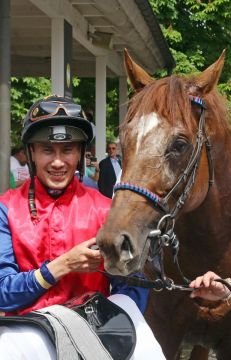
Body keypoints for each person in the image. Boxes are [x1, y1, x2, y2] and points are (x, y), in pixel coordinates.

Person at [0, 95, 165, 360]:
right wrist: (63, 265)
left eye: (67, 150)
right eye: (47, 149)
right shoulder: (6, 208)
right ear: (31, 152)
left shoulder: (106, 209)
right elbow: (2, 294)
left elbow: (132, 288)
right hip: (28, 331)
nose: (57, 162)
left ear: (80, 154)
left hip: (95, 328)